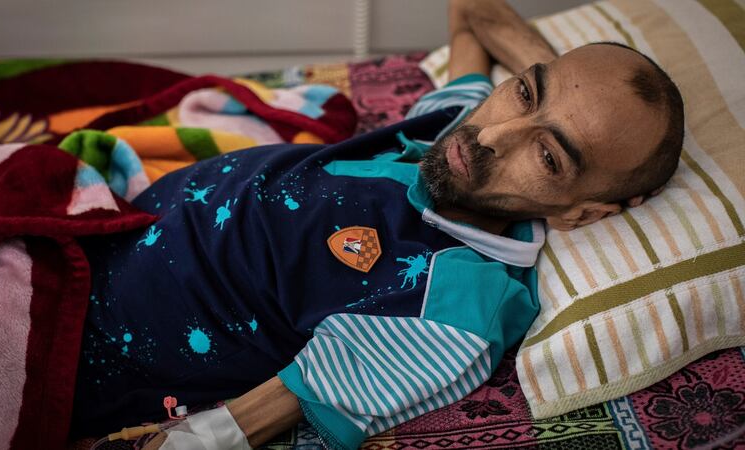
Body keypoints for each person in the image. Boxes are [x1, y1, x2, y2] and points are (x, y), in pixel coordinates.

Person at [72, 0, 684, 448]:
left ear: (583, 212)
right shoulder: (451, 131)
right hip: (95, 224)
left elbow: (244, 423)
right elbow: (472, 12)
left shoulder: (460, 301)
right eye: (523, 94)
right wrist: (570, 93)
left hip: (79, 335)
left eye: (549, 156)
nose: (490, 136)